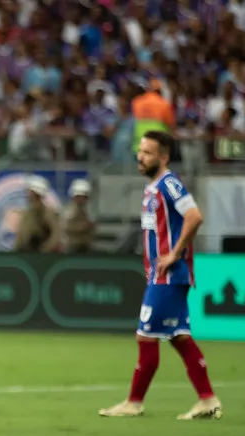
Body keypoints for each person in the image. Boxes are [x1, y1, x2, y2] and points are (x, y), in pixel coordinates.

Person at [99, 130, 222, 420]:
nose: (140, 157)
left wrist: (175, 253)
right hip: (163, 275)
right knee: (179, 337)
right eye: (140, 151)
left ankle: (134, 402)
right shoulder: (153, 187)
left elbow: (195, 216)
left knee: (146, 337)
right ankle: (207, 399)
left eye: (148, 153)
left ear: (163, 157)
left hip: (168, 274)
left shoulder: (170, 184)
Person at [14, 177, 61, 253]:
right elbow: (21, 235)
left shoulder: (48, 213)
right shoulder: (27, 213)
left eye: (30, 192)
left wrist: (45, 249)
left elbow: (56, 234)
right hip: (26, 251)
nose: (28, 195)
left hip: (43, 253)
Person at [62, 179, 95, 253]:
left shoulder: (88, 210)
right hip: (72, 246)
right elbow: (65, 226)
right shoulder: (69, 210)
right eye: (78, 196)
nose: (81, 199)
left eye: (83, 197)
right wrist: (83, 226)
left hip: (86, 245)